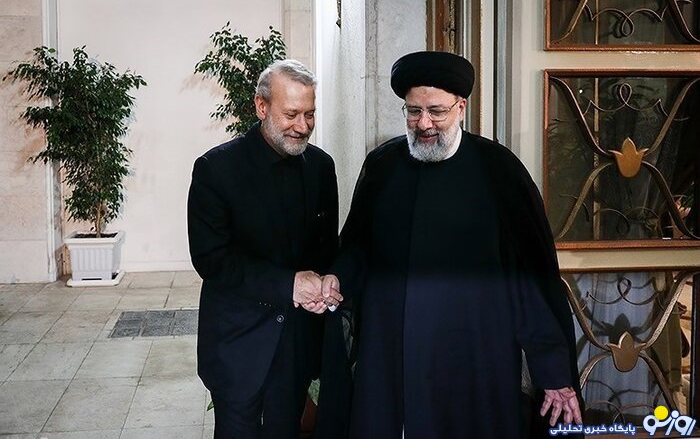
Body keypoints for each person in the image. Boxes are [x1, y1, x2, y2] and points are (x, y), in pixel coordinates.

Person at [318, 51, 583, 439]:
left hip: (475, 355)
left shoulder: (499, 170)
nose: (424, 123)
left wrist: (552, 369)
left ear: (461, 107)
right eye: (414, 111)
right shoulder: (382, 166)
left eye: (436, 112)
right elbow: (358, 244)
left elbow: (529, 277)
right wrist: (338, 277)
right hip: (395, 351)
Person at [187, 59, 343, 439]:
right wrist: (290, 285)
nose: (302, 126)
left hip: (297, 345)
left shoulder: (321, 167)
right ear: (261, 107)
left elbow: (327, 249)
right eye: (291, 114)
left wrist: (328, 282)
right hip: (238, 343)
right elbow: (211, 259)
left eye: (309, 114)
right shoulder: (215, 169)